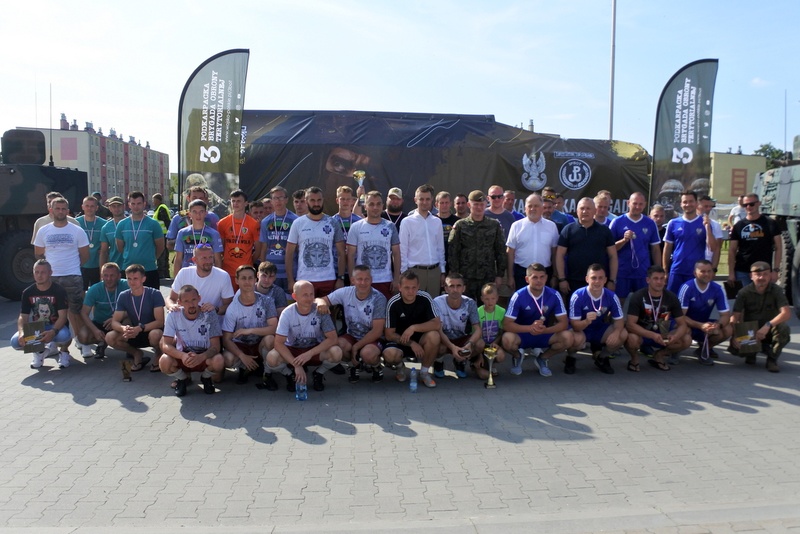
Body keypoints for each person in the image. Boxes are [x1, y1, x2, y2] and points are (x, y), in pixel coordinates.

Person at [34, 197, 90, 357]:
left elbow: (85, 255)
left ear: (68, 211)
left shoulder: (77, 230)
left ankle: (82, 342)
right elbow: (38, 254)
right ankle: (50, 346)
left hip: (73, 276)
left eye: (63, 208)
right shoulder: (43, 230)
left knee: (76, 311)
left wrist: (72, 266)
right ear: (51, 210)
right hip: (50, 279)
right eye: (57, 208)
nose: (60, 211)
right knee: (48, 313)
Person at [264, 280, 343, 392]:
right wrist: (296, 365)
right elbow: (278, 343)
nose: (309, 298)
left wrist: (309, 353)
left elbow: (333, 338)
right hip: (293, 350)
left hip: (314, 350)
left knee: (337, 352)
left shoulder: (320, 310)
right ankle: (289, 374)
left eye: (311, 294)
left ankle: (318, 373)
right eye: (305, 295)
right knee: (272, 358)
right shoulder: (287, 313)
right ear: (294, 296)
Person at [316, 265, 388, 384]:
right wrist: (321, 303)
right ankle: (354, 366)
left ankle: (376, 366)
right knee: (338, 346)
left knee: (368, 354)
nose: (363, 283)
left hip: (373, 338)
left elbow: (377, 331)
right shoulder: (346, 292)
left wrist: (356, 347)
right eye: (359, 279)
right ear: (352, 280)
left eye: (366, 279)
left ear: (371, 280)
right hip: (352, 335)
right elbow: (321, 299)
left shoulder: (379, 298)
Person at [501, 263, 572, 377]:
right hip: (522, 334)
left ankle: (542, 358)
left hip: (544, 333)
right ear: (527, 279)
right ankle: (518, 356)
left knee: (568, 337)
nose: (539, 280)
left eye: (542, 277)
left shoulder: (554, 294)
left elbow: (564, 323)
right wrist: (530, 328)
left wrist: (545, 330)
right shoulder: (518, 296)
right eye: (534, 277)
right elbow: (506, 325)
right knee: (507, 339)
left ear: (546, 278)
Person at [159, 284, 225, 397]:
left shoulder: (209, 314)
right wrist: (182, 356)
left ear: (199, 298)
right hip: (183, 355)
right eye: (186, 301)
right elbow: (166, 345)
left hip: (204, 355)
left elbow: (216, 347)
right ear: (179, 302)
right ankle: (182, 379)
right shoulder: (173, 315)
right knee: (164, 361)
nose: (191, 304)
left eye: (194, 299)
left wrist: (201, 357)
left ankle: (205, 378)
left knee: (219, 360)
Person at [624, 266, 690, 372]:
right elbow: (630, 324)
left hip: (662, 333)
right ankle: (634, 359)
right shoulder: (638, 296)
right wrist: (652, 335)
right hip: (642, 334)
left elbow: (682, 324)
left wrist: (675, 336)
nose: (659, 282)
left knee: (686, 339)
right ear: (648, 280)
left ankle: (659, 355)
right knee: (631, 338)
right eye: (655, 278)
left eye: (662, 278)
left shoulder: (671, 297)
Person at [729, 262, 791, 373]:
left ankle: (772, 359)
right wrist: (734, 336)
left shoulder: (776, 291)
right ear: (751, 276)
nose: (761, 277)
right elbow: (735, 317)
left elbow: (786, 313)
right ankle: (753, 352)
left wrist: (768, 325)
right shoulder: (744, 292)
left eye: (765, 274)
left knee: (784, 329)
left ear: (770, 275)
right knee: (737, 350)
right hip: (751, 331)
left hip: (769, 329)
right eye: (758, 274)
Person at [382, 270, 441, 387]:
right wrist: (412, 343)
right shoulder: (393, 303)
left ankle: (424, 373)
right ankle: (400, 367)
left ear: (418, 286)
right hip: (400, 341)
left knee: (434, 336)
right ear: (399, 287)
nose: (410, 291)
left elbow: (436, 324)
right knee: (390, 355)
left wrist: (413, 328)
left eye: (414, 287)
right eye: (407, 288)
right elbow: (389, 334)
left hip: (421, 339)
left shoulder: (425, 297)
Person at [221, 265, 278, 385]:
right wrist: (242, 355)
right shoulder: (232, 308)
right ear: (236, 280)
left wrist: (250, 330)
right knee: (227, 359)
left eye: (250, 278)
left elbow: (274, 328)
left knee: (270, 339)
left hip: (259, 344)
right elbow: (226, 340)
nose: (247, 282)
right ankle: (244, 367)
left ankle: (267, 372)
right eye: (243, 278)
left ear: (255, 279)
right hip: (241, 345)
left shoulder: (267, 301)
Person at [285, 187, 346, 298]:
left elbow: (341, 253)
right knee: (305, 309)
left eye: (319, 200)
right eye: (312, 200)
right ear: (306, 201)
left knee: (326, 309)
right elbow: (289, 253)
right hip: (304, 280)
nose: (316, 204)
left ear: (323, 200)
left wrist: (340, 278)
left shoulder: (333, 222)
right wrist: (290, 280)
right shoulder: (298, 223)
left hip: (328, 280)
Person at [566, 264, 627, 375]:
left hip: (599, 328)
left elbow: (619, 320)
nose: (597, 281)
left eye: (600, 278)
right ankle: (571, 358)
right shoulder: (578, 296)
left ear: (605, 280)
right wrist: (586, 321)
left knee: (622, 334)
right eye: (593, 278)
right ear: (587, 279)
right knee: (575, 338)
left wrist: (616, 332)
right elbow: (575, 325)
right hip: (581, 329)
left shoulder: (612, 296)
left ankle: (601, 357)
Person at [11, 260, 72, 369]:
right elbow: (23, 316)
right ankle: (39, 352)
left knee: (64, 336)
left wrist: (53, 332)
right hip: (38, 327)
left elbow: (63, 317)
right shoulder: (27, 292)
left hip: (56, 326)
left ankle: (64, 352)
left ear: (50, 273)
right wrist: (22, 332)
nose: (39, 275)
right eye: (37, 272)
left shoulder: (59, 290)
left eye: (43, 272)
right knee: (15, 342)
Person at [448, 190, 507, 300]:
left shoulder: (494, 225)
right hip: (465, 277)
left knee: (486, 307)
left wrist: (499, 275)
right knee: (465, 306)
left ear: (486, 204)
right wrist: (455, 275)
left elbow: (501, 251)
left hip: (487, 277)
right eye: (476, 204)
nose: (479, 208)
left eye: (481, 204)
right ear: (469, 205)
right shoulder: (460, 225)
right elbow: (453, 252)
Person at [107, 264, 165, 372]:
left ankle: (158, 353)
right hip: (133, 331)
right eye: (129, 279)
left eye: (135, 278)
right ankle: (136, 353)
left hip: (151, 330)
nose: (132, 282)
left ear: (143, 279)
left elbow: (160, 322)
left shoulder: (154, 294)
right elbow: (115, 322)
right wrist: (124, 328)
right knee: (110, 337)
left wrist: (140, 328)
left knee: (155, 334)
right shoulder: (123, 295)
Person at [555, 197, 618, 296]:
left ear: (595, 211)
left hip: (599, 281)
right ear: (577, 211)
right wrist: (562, 279)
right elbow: (559, 255)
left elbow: (613, 256)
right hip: (573, 282)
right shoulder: (568, 230)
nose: (585, 211)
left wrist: (612, 280)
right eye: (582, 208)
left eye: (588, 208)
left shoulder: (605, 231)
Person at [347, 191, 400, 300]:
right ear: (365, 206)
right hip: (362, 281)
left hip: (385, 280)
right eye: (371, 204)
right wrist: (352, 279)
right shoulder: (356, 227)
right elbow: (350, 255)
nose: (375, 207)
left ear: (382, 206)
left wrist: (396, 278)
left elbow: (396, 253)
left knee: (384, 310)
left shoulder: (390, 226)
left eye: (378, 204)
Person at [609, 192, 662, 302]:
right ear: (628, 203)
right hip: (622, 272)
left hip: (643, 273)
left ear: (645, 204)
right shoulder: (617, 222)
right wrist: (624, 240)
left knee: (644, 304)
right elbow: (610, 249)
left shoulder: (650, 223)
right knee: (619, 303)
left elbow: (655, 249)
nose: (637, 207)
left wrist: (658, 271)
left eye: (640, 204)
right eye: (635, 203)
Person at [678, 260, 732, 365]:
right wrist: (700, 325)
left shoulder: (718, 289)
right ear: (695, 273)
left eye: (709, 271)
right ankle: (674, 352)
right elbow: (680, 316)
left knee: (728, 329)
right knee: (683, 331)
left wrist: (717, 325)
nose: (706, 274)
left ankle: (703, 350)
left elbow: (725, 315)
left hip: (704, 323)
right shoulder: (687, 287)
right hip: (687, 323)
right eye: (702, 271)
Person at [663, 190, 716, 294]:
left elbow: (713, 247)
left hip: (696, 272)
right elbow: (667, 248)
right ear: (681, 204)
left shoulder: (704, 222)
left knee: (693, 301)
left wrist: (707, 228)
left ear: (696, 203)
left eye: (691, 201)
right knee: (672, 300)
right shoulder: (673, 223)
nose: (688, 204)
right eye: (685, 202)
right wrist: (665, 270)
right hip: (677, 270)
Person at [433, 272, 483, 379]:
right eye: (451, 286)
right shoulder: (437, 302)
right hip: (444, 339)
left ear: (464, 288)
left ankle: (460, 361)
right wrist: (452, 347)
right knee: (436, 342)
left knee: (480, 344)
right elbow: (438, 330)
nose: (455, 290)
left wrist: (469, 345)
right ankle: (438, 362)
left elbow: (478, 329)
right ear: (446, 288)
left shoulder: (470, 303)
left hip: (462, 339)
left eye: (458, 286)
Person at [167, 245, 234, 321]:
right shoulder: (184, 273)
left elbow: (229, 305)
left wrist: (216, 309)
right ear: (194, 260)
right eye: (204, 258)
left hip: (212, 322)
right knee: (170, 316)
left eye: (210, 257)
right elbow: (171, 298)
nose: (208, 261)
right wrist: (172, 306)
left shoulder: (223, 276)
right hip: (186, 321)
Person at [506, 193, 559, 291]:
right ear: (525, 208)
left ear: (542, 208)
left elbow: (555, 253)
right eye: (530, 206)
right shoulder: (516, 226)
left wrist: (555, 275)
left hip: (545, 274)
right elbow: (510, 252)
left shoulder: (551, 226)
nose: (532, 209)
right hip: (522, 274)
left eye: (536, 206)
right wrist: (510, 276)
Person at [400, 184, 445, 296]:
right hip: (415, 272)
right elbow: (402, 250)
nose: (424, 202)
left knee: (433, 304)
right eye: (421, 199)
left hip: (435, 272)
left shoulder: (437, 222)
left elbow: (440, 248)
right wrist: (404, 273)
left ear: (432, 200)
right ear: (415, 200)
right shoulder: (407, 222)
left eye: (427, 199)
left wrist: (442, 271)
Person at [728, 193, 781, 287]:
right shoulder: (739, 225)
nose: (748, 207)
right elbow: (732, 250)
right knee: (743, 296)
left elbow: (778, 248)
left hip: (763, 270)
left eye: (751, 204)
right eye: (745, 205)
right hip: (742, 270)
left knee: (763, 296)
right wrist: (731, 273)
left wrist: (776, 270)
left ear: (759, 203)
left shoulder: (770, 223)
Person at [115, 191, 166, 289]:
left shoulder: (153, 224)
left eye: (139, 203)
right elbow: (120, 247)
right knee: (127, 297)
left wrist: (151, 258)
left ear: (144, 204)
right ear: (129, 205)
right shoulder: (122, 224)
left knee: (151, 298)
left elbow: (160, 246)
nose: (136, 207)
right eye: (133, 203)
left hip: (149, 269)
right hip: (128, 269)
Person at [78, 262, 129, 360]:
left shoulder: (127, 285)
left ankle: (130, 348)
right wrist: (95, 330)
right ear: (101, 276)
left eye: (112, 275)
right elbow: (84, 313)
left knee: (129, 324)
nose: (109, 279)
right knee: (83, 336)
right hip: (101, 323)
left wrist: (115, 319)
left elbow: (136, 307)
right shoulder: (94, 289)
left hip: (121, 322)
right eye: (105, 275)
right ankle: (102, 341)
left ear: (119, 276)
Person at [257, 186, 298, 293]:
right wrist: (262, 271)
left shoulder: (295, 220)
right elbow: (264, 248)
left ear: (286, 200)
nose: (278, 201)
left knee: (289, 300)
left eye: (281, 198)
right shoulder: (265, 221)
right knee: (270, 300)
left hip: (290, 272)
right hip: (271, 274)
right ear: (271, 201)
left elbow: (299, 248)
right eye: (275, 198)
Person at [217, 190, 261, 289]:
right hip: (228, 271)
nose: (235, 204)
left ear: (246, 203)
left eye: (238, 201)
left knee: (246, 296)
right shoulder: (222, 223)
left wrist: (249, 260)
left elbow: (258, 250)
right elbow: (220, 248)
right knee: (229, 297)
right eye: (233, 201)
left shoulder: (253, 224)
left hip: (246, 271)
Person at [173, 199, 224, 277]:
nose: (198, 215)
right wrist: (176, 279)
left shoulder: (213, 234)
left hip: (207, 275)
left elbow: (217, 259)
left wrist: (217, 278)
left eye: (201, 212)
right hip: (187, 275)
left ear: (206, 213)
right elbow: (178, 259)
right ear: (189, 214)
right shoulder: (182, 233)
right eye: (194, 212)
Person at [165, 186, 220, 251]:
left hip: (207, 256)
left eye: (201, 198)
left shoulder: (212, 217)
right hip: (184, 256)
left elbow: (219, 241)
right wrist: (185, 237)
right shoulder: (178, 218)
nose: (197, 200)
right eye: (194, 198)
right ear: (188, 199)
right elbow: (169, 244)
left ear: (205, 200)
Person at [331, 185, 362, 284]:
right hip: (336, 269)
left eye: (348, 199)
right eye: (342, 199)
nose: (345, 202)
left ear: (352, 201)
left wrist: (361, 196)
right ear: (337, 200)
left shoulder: (359, 221)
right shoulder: (331, 222)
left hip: (356, 269)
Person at [476, 283, 507, 379]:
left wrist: (496, 343)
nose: (490, 302)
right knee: (483, 376)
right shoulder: (478, 312)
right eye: (487, 299)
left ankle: (491, 365)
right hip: (480, 345)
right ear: (482, 299)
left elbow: (502, 331)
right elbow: (475, 333)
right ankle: (476, 363)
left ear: (497, 298)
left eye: (493, 298)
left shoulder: (502, 311)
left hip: (493, 344)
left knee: (501, 356)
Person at [76, 195, 107, 289]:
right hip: (80, 265)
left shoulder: (104, 224)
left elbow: (108, 242)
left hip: (97, 265)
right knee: (81, 291)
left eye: (92, 206)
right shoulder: (76, 223)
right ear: (82, 207)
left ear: (97, 208)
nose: (89, 208)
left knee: (97, 291)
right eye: (87, 206)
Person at [98, 196, 126, 269]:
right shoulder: (106, 227)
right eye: (113, 206)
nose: (116, 209)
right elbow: (104, 252)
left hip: (131, 266)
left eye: (119, 206)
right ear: (109, 208)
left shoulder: (131, 223)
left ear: (123, 206)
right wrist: (102, 271)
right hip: (114, 267)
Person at [435, 191, 460, 272]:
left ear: (451, 204)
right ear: (436, 204)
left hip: (453, 261)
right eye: (442, 203)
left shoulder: (458, 222)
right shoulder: (431, 221)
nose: (444, 205)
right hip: (436, 261)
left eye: (446, 203)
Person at [698, 195, 723, 271]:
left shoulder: (715, 225)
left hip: (707, 263)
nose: (709, 209)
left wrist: (714, 268)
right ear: (697, 206)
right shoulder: (689, 223)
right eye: (705, 206)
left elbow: (717, 249)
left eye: (710, 206)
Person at [151, 193, 172, 278]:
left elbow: (167, 222)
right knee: (163, 256)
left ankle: (162, 274)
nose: (153, 202)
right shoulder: (158, 209)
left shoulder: (161, 208)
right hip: (160, 235)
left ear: (158, 200)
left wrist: (169, 236)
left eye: (154, 200)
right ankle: (164, 274)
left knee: (162, 256)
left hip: (163, 235)